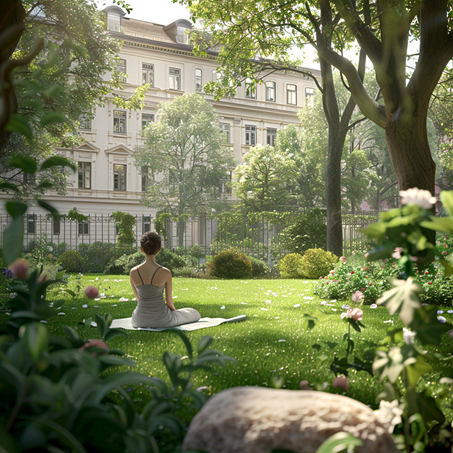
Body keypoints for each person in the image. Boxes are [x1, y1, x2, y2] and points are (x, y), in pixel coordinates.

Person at [129, 231, 201, 328]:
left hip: (138, 320)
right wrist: (175, 315)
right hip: (162, 320)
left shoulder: (133, 272)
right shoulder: (165, 272)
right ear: (159, 249)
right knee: (194, 313)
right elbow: (169, 303)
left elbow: (139, 299)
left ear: (142, 249)